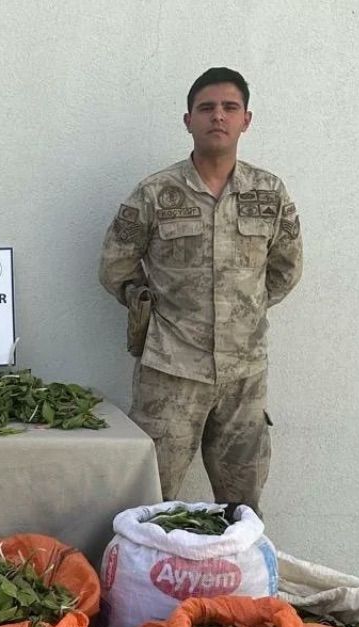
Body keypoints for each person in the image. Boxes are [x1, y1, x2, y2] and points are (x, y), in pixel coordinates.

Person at [99, 67, 302, 515]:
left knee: (242, 506)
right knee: (149, 500)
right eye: (206, 108)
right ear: (188, 119)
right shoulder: (155, 194)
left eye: (230, 108)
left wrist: (239, 310)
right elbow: (116, 266)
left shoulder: (269, 194)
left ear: (246, 120)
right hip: (169, 372)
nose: (218, 116)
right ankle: (141, 584)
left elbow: (285, 270)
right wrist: (152, 313)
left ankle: (235, 583)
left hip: (243, 376)